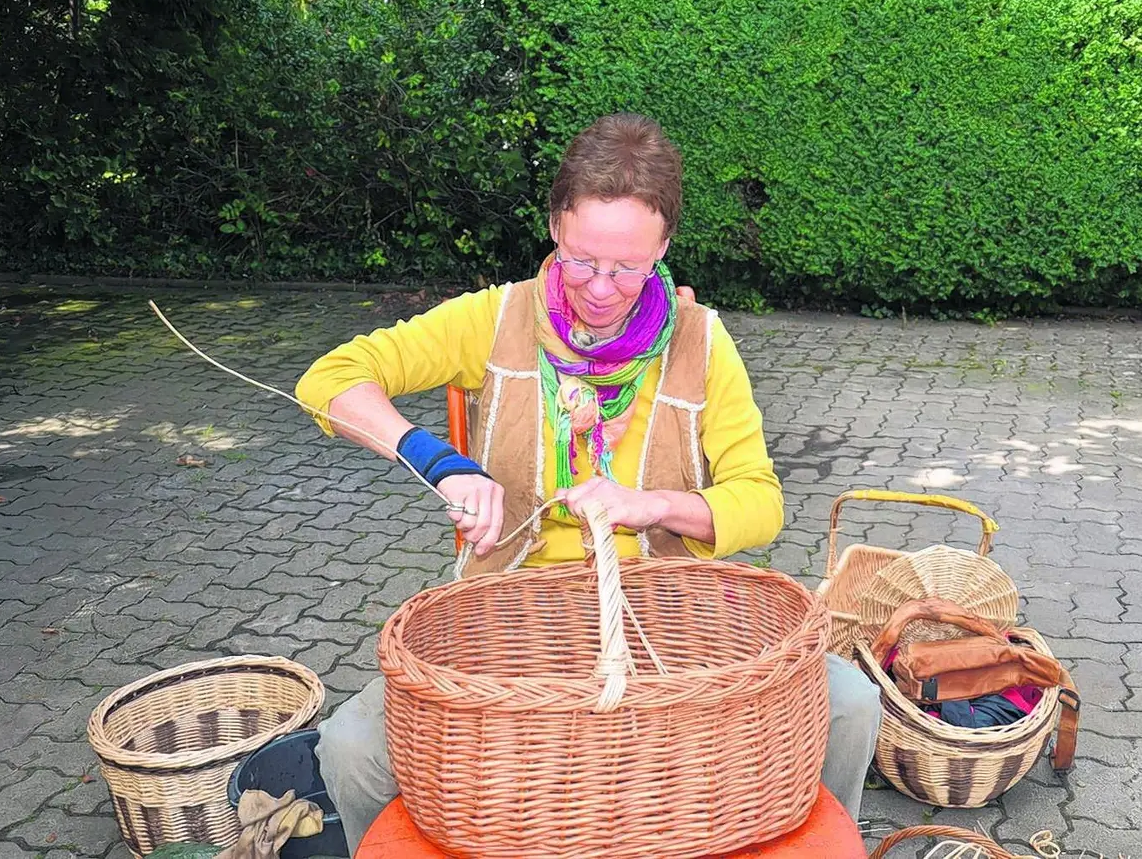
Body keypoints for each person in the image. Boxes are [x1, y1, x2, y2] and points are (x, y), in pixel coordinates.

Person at [294, 113, 881, 843]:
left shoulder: (702, 343)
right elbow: (330, 382)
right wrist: (440, 462)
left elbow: (760, 503)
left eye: (628, 268)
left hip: (668, 616)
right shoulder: (496, 318)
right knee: (350, 752)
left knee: (852, 705)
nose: (601, 289)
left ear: (664, 247)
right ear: (554, 228)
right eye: (580, 260)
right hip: (512, 624)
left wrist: (650, 505)